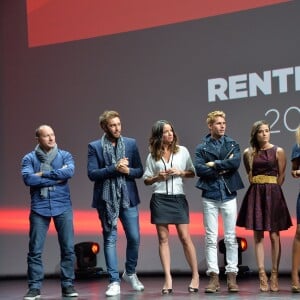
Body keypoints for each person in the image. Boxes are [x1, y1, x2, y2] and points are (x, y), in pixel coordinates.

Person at [87, 110, 144, 297]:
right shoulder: (94, 147)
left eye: (119, 124)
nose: (117, 128)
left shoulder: (130, 143)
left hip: (128, 198)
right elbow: (92, 174)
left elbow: (139, 171)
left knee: (134, 237)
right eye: (113, 125)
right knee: (110, 239)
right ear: (105, 127)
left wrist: (127, 170)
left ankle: (130, 272)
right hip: (106, 200)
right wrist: (114, 168)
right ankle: (113, 281)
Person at [21, 125, 78, 300]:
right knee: (35, 250)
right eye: (46, 136)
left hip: (63, 206)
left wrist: (42, 175)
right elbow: (28, 179)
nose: (51, 138)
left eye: (52, 134)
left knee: (68, 248)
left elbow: (69, 172)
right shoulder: (29, 158)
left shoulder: (65, 155)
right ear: (38, 139)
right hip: (40, 207)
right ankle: (34, 287)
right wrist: (56, 176)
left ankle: (68, 284)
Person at [143, 120, 199, 295]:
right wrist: (157, 178)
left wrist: (181, 173)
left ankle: (196, 275)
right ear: (159, 135)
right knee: (163, 239)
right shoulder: (152, 155)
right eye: (166, 132)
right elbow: (146, 179)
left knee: (184, 237)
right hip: (159, 198)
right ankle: (168, 278)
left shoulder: (182, 151)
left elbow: (193, 171)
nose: (170, 134)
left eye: (171, 131)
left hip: (178, 198)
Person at [236, 120, 292, 292]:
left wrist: (271, 189)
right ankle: (262, 274)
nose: (265, 134)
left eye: (267, 131)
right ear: (255, 134)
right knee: (258, 235)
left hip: (273, 194)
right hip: (256, 194)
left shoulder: (279, 151)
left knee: (275, 235)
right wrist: (261, 187)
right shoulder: (248, 153)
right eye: (261, 131)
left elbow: (281, 176)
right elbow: (250, 175)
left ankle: (274, 274)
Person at [194, 110, 244, 293]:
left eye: (224, 122)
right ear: (210, 125)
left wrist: (214, 164)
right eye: (218, 123)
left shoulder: (232, 143)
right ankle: (213, 277)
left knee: (231, 237)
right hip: (210, 195)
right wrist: (224, 165)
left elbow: (235, 164)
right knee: (210, 237)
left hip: (229, 193)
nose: (222, 126)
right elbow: (199, 170)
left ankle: (232, 276)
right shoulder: (201, 147)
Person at [290, 126, 300, 292]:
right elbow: (293, 171)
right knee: (299, 232)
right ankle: (295, 276)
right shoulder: (298, 145)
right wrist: (297, 172)